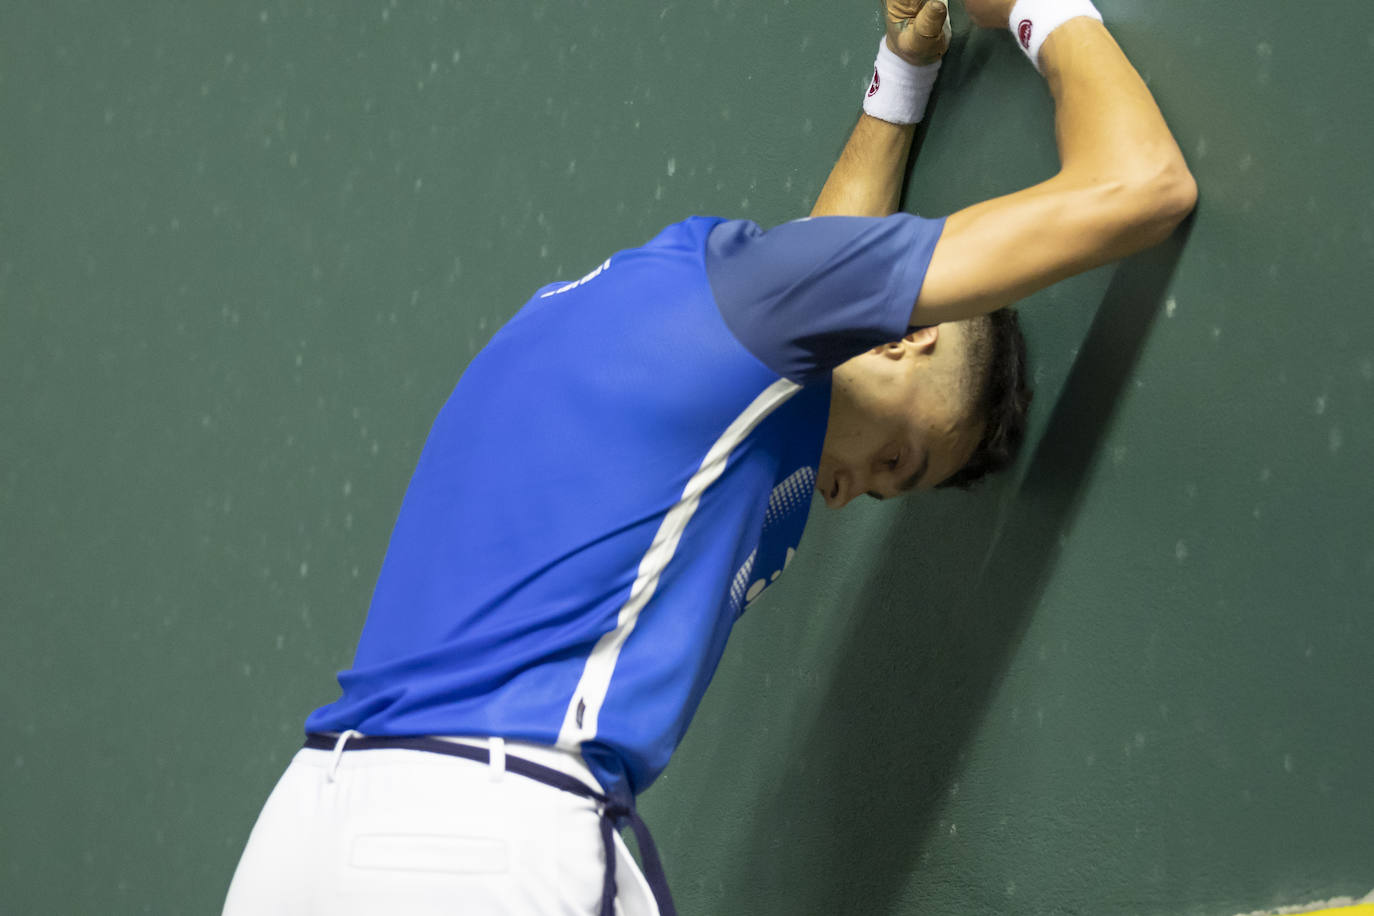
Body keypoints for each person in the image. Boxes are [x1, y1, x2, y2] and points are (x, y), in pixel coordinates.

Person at [222, 0, 1195, 913]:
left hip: (300, 841)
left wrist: (903, 74)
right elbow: (1144, 185)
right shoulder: (770, 312)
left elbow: (830, 247)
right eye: (902, 460)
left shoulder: (693, 301)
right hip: (483, 841)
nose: (852, 494)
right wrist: (1036, 10)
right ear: (905, 334)